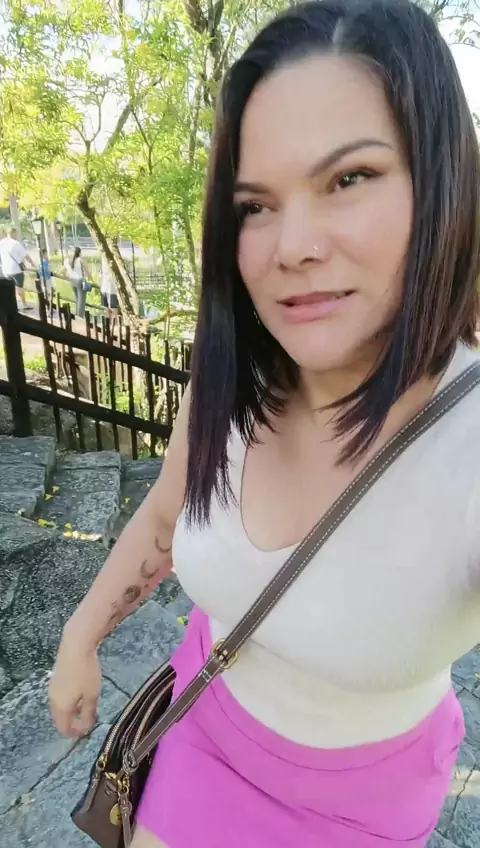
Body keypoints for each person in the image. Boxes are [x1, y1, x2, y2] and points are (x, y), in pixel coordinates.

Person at [49, 2, 480, 846]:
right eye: (254, 206)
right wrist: (80, 635)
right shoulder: (233, 378)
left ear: (442, 186)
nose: (292, 246)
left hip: (361, 802)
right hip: (201, 724)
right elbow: (166, 514)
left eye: (349, 178)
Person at [0, 227, 35, 310]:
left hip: (5, 270)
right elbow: (25, 255)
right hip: (16, 270)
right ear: (14, 233)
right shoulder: (16, 243)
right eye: (16, 234)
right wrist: (32, 263)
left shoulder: (1, 243)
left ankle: (12, 306)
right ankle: (24, 305)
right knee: (19, 287)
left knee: (9, 288)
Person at [64, 245, 90, 318]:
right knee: (81, 300)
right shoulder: (81, 260)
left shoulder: (67, 260)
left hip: (72, 280)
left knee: (77, 299)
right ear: (80, 253)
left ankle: (77, 315)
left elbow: (63, 271)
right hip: (79, 281)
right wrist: (92, 280)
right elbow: (87, 272)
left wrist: (66, 277)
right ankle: (80, 317)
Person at [100, 253, 120, 320]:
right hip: (111, 288)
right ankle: (112, 324)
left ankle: (109, 324)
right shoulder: (110, 259)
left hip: (105, 288)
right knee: (113, 309)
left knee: (107, 309)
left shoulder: (104, 258)